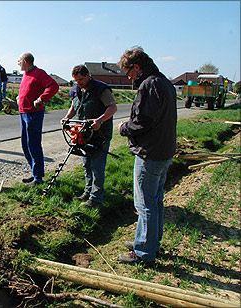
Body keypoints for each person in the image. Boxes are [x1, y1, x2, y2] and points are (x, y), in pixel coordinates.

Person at [117, 46, 177, 264]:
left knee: (145, 204)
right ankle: (151, 242)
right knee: (155, 201)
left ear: (137, 67)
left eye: (129, 72)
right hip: (164, 151)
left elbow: (143, 123)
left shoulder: (148, 85)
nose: (129, 77)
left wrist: (124, 128)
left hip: (150, 153)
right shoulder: (164, 82)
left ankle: (144, 252)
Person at [61, 65, 117, 207]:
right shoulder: (76, 91)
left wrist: (100, 120)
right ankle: (88, 191)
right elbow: (74, 107)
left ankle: (96, 198)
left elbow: (112, 107)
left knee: (97, 167)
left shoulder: (100, 89)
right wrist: (67, 117)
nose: (78, 83)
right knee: (87, 165)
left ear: (88, 76)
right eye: (75, 80)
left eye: (80, 79)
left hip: (99, 135)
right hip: (83, 134)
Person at [17, 52, 59, 186]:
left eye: (19, 61)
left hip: (33, 114)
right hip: (23, 113)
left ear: (26, 62)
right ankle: (34, 172)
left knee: (33, 144)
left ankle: (38, 177)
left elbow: (54, 86)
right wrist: (19, 97)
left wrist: (41, 99)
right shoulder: (25, 74)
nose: (18, 63)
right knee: (25, 144)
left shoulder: (40, 73)